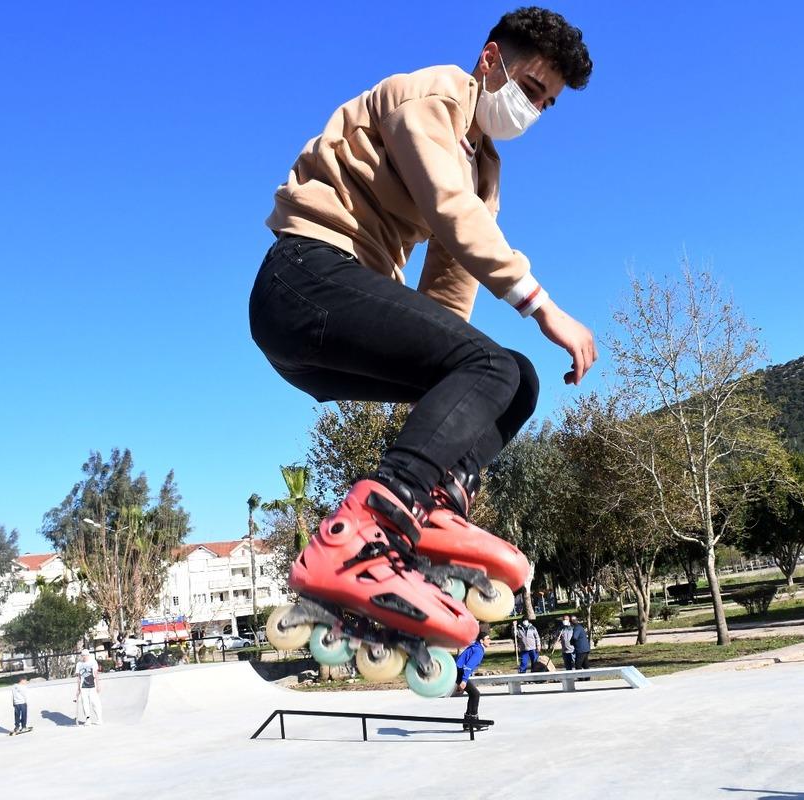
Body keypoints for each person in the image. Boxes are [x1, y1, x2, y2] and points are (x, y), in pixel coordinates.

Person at [251, 8, 597, 667]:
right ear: (491, 59)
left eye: (546, 105)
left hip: (336, 318)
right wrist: (541, 305)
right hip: (304, 280)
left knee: (512, 380)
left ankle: (424, 512)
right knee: (493, 366)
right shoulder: (432, 95)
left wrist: (459, 394)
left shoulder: (485, 171)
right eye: (529, 88)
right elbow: (449, 210)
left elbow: (449, 287)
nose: (533, 110)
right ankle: (365, 528)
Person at [454, 624, 492, 729]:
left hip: (458, 671)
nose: (490, 641)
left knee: (472, 694)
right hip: (461, 672)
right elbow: (468, 666)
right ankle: (474, 721)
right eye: (487, 639)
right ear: (481, 641)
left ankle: (467, 722)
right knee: (475, 694)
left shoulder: (475, 647)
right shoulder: (479, 650)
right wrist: (464, 680)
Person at [74, 649, 103, 726]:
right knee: (85, 703)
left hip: (93, 686)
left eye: (86, 656)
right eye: (83, 656)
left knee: (95, 702)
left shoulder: (93, 662)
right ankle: (88, 719)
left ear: (88, 655)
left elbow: (96, 674)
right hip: (83, 687)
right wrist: (78, 689)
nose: (84, 657)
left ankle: (99, 719)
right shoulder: (79, 664)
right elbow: (79, 677)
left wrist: (98, 685)